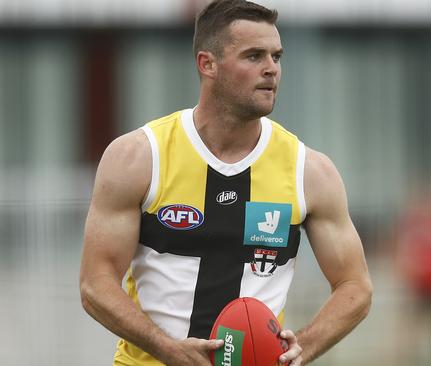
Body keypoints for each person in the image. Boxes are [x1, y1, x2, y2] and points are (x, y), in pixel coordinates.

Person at [79, 1, 373, 365]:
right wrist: (166, 348)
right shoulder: (139, 156)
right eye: (253, 56)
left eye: (276, 57)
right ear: (208, 64)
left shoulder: (309, 170)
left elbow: (355, 286)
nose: (271, 70)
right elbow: (96, 284)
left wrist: (304, 347)